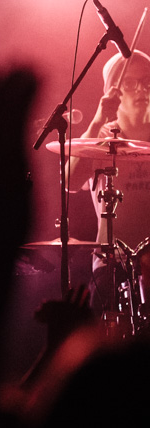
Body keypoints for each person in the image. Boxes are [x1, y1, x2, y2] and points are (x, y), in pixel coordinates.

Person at [69, 50, 150, 317]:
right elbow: (69, 181)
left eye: (147, 82)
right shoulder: (101, 135)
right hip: (113, 264)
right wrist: (97, 120)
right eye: (130, 83)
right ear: (113, 91)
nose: (141, 90)